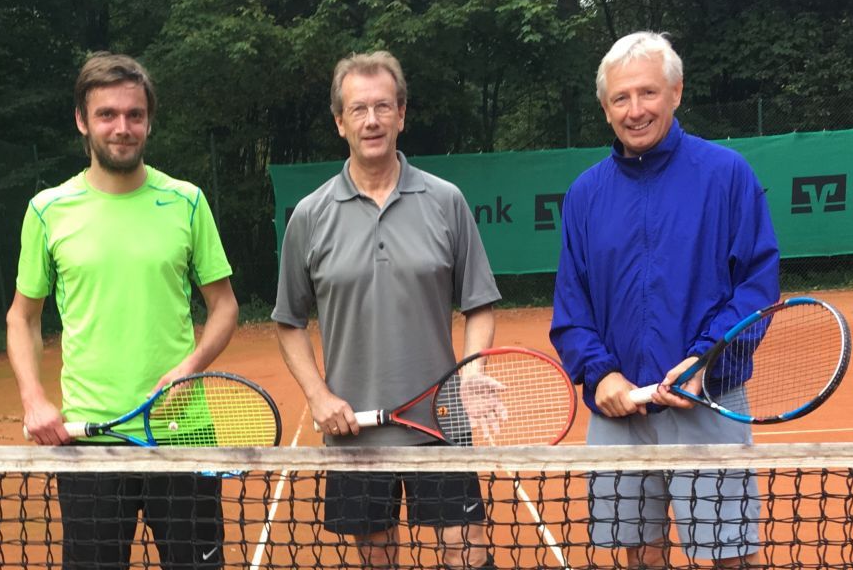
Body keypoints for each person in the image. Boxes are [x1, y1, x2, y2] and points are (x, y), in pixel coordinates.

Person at [550, 32, 779, 569]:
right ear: (605, 109)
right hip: (619, 409)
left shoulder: (727, 175)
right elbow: (571, 305)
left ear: (676, 93)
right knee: (640, 556)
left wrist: (705, 360)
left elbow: (754, 287)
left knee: (729, 558)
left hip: (707, 400)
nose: (636, 110)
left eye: (648, 93)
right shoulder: (585, 194)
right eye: (621, 98)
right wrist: (601, 375)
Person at [6, 51, 238, 569]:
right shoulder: (47, 210)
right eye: (107, 114)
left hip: (183, 433)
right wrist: (34, 400)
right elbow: (22, 316)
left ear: (149, 121)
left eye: (134, 114)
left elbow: (224, 307)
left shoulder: (187, 202)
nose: (122, 127)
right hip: (90, 440)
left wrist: (188, 369)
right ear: (82, 121)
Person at [272, 50, 501, 569]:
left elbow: (480, 303)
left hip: (440, 425)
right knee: (377, 559)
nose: (371, 120)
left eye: (383, 107)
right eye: (358, 109)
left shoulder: (446, 201)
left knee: (468, 555)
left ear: (402, 114)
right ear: (339, 123)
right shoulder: (310, 216)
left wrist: (471, 373)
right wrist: (318, 394)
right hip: (354, 435)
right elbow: (288, 322)